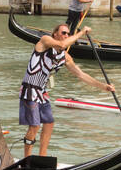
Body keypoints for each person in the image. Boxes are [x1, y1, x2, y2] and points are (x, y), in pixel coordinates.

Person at [19, 20, 115, 157]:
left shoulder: (65, 57)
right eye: (63, 33)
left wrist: (104, 86)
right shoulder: (45, 41)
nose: (66, 35)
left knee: (49, 123)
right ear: (55, 35)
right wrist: (81, 33)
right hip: (30, 88)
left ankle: (42, 157)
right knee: (35, 126)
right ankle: (27, 159)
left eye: (68, 34)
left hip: (42, 91)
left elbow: (81, 75)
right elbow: (63, 44)